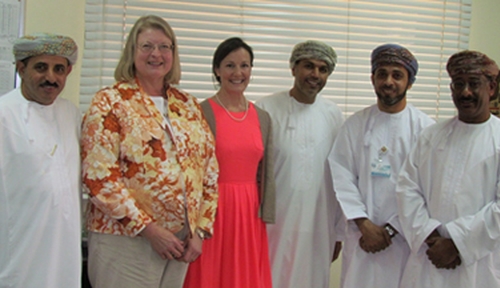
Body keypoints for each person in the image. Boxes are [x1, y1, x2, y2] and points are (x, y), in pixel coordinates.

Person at [81, 15, 219, 288]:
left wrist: (200, 230)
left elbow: (210, 171)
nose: (156, 54)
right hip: (125, 239)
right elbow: (98, 177)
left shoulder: (188, 105)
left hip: (180, 243)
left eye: (165, 47)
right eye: (146, 46)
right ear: (132, 52)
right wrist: (149, 229)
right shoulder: (110, 101)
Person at [328, 44, 435, 288]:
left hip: (405, 239)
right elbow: (342, 176)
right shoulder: (355, 125)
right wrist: (364, 224)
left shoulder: (426, 130)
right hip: (361, 236)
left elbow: (426, 188)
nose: (388, 81)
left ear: (410, 82)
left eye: (397, 75)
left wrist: (391, 229)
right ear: (372, 78)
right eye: (382, 73)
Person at [396, 50, 500, 287]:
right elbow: (407, 189)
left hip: (478, 265)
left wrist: (456, 243)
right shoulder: (432, 135)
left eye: (474, 84)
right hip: (428, 257)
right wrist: (431, 237)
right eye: (458, 84)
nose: (465, 92)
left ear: (491, 88)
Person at [183, 37, 275, 288]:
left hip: (249, 214)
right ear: (217, 70)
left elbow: (265, 174)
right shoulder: (200, 113)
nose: (238, 73)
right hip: (212, 213)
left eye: (244, 66)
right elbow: (190, 172)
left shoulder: (263, 117)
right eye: (230, 65)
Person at [255, 40, 344, 288]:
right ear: (293, 68)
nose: (315, 75)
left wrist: (338, 233)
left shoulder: (334, 115)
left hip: (319, 224)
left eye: (323, 69)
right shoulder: (265, 109)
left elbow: (340, 177)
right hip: (274, 226)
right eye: (308, 66)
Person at [0, 33, 81, 287]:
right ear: (21, 69)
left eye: (59, 69)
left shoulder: (71, 113)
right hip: (18, 248)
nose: (51, 78)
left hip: (64, 249)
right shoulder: (4, 114)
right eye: (41, 67)